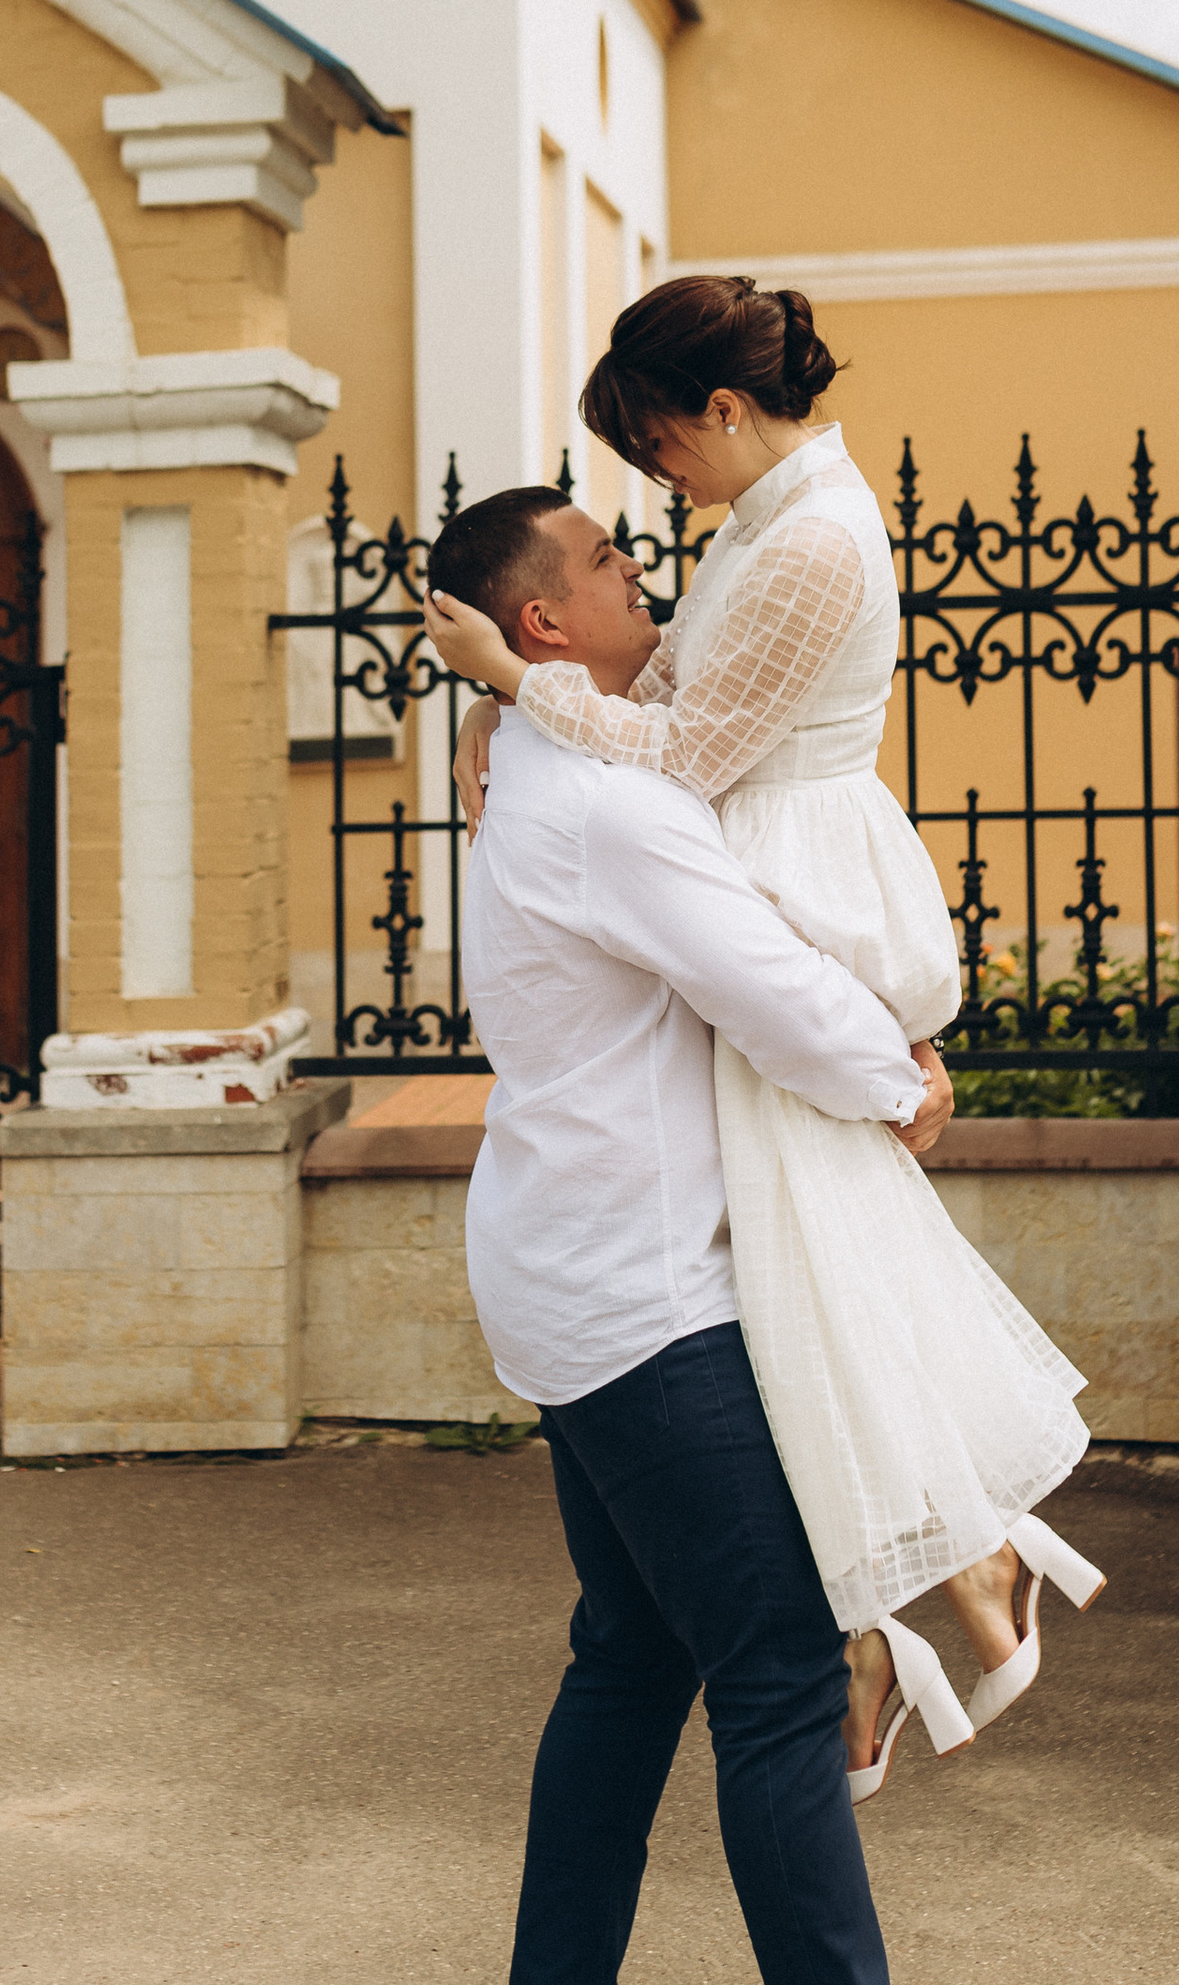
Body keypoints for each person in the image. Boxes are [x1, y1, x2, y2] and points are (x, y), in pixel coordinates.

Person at [431, 479, 1103, 1985]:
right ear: (549, 624)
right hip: (648, 1299)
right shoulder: (599, 807)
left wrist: (499, 706)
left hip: (577, 1275)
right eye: (604, 557)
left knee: (631, 1658)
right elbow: (762, 979)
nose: (640, 564)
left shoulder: (560, 766)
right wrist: (906, 1083)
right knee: (788, 1676)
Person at [426, 278, 1102, 1796]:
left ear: (723, 412)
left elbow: (686, 747)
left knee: (819, 1243)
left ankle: (936, 1573)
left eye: (658, 446)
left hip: (787, 870)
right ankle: (942, 1572)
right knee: (814, 1254)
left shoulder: (811, 536)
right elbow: (661, 686)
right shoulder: (762, 526)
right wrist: (517, 704)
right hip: (732, 859)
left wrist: (517, 683)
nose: (657, 487)